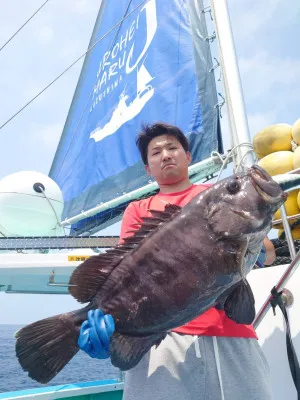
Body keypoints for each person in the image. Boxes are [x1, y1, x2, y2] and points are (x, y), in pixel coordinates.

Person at [78, 122, 275, 400]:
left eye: (172, 147)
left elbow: (267, 251)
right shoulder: (138, 210)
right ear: (148, 169)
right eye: (155, 153)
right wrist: (112, 329)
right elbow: (126, 274)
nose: (166, 155)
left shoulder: (219, 195)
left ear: (188, 156)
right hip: (162, 340)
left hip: (233, 333)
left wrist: (246, 245)